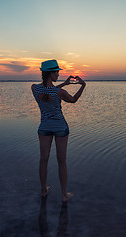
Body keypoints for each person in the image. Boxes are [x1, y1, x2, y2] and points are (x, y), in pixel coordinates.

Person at [31, 59, 86, 202]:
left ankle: (43, 191)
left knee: (43, 159)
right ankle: (64, 195)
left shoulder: (34, 88)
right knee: (62, 161)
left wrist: (65, 84)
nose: (58, 75)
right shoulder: (59, 92)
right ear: (51, 73)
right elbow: (73, 100)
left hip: (44, 128)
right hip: (60, 128)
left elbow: (48, 91)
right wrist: (83, 85)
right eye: (57, 72)